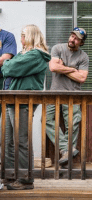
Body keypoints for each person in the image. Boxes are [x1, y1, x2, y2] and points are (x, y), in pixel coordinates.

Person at [1, 24, 50, 190]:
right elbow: (7, 66)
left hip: (23, 101)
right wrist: (8, 65)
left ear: (30, 36)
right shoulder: (25, 54)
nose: (20, 39)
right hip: (12, 99)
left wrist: (8, 64)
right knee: (8, 141)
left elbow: (9, 67)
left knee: (21, 141)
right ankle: (10, 175)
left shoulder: (36, 55)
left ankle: (25, 179)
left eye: (23, 36)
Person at [46, 27, 89, 168]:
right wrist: (72, 69)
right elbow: (53, 67)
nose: (72, 39)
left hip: (73, 94)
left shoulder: (83, 57)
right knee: (46, 120)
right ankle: (66, 148)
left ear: (81, 43)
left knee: (72, 124)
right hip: (54, 92)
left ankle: (67, 157)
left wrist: (63, 68)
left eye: (76, 39)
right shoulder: (58, 48)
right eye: (72, 36)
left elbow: (82, 78)